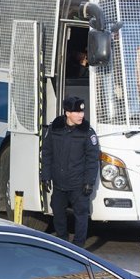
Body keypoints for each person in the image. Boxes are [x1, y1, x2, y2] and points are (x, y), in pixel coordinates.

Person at [41, 95, 100, 248]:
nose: (81, 115)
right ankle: (62, 241)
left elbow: (92, 159)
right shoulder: (55, 128)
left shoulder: (87, 132)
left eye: (82, 112)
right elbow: (47, 153)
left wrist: (89, 182)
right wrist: (45, 176)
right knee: (58, 212)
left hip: (78, 184)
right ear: (67, 113)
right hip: (59, 183)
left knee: (81, 215)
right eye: (77, 112)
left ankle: (78, 246)